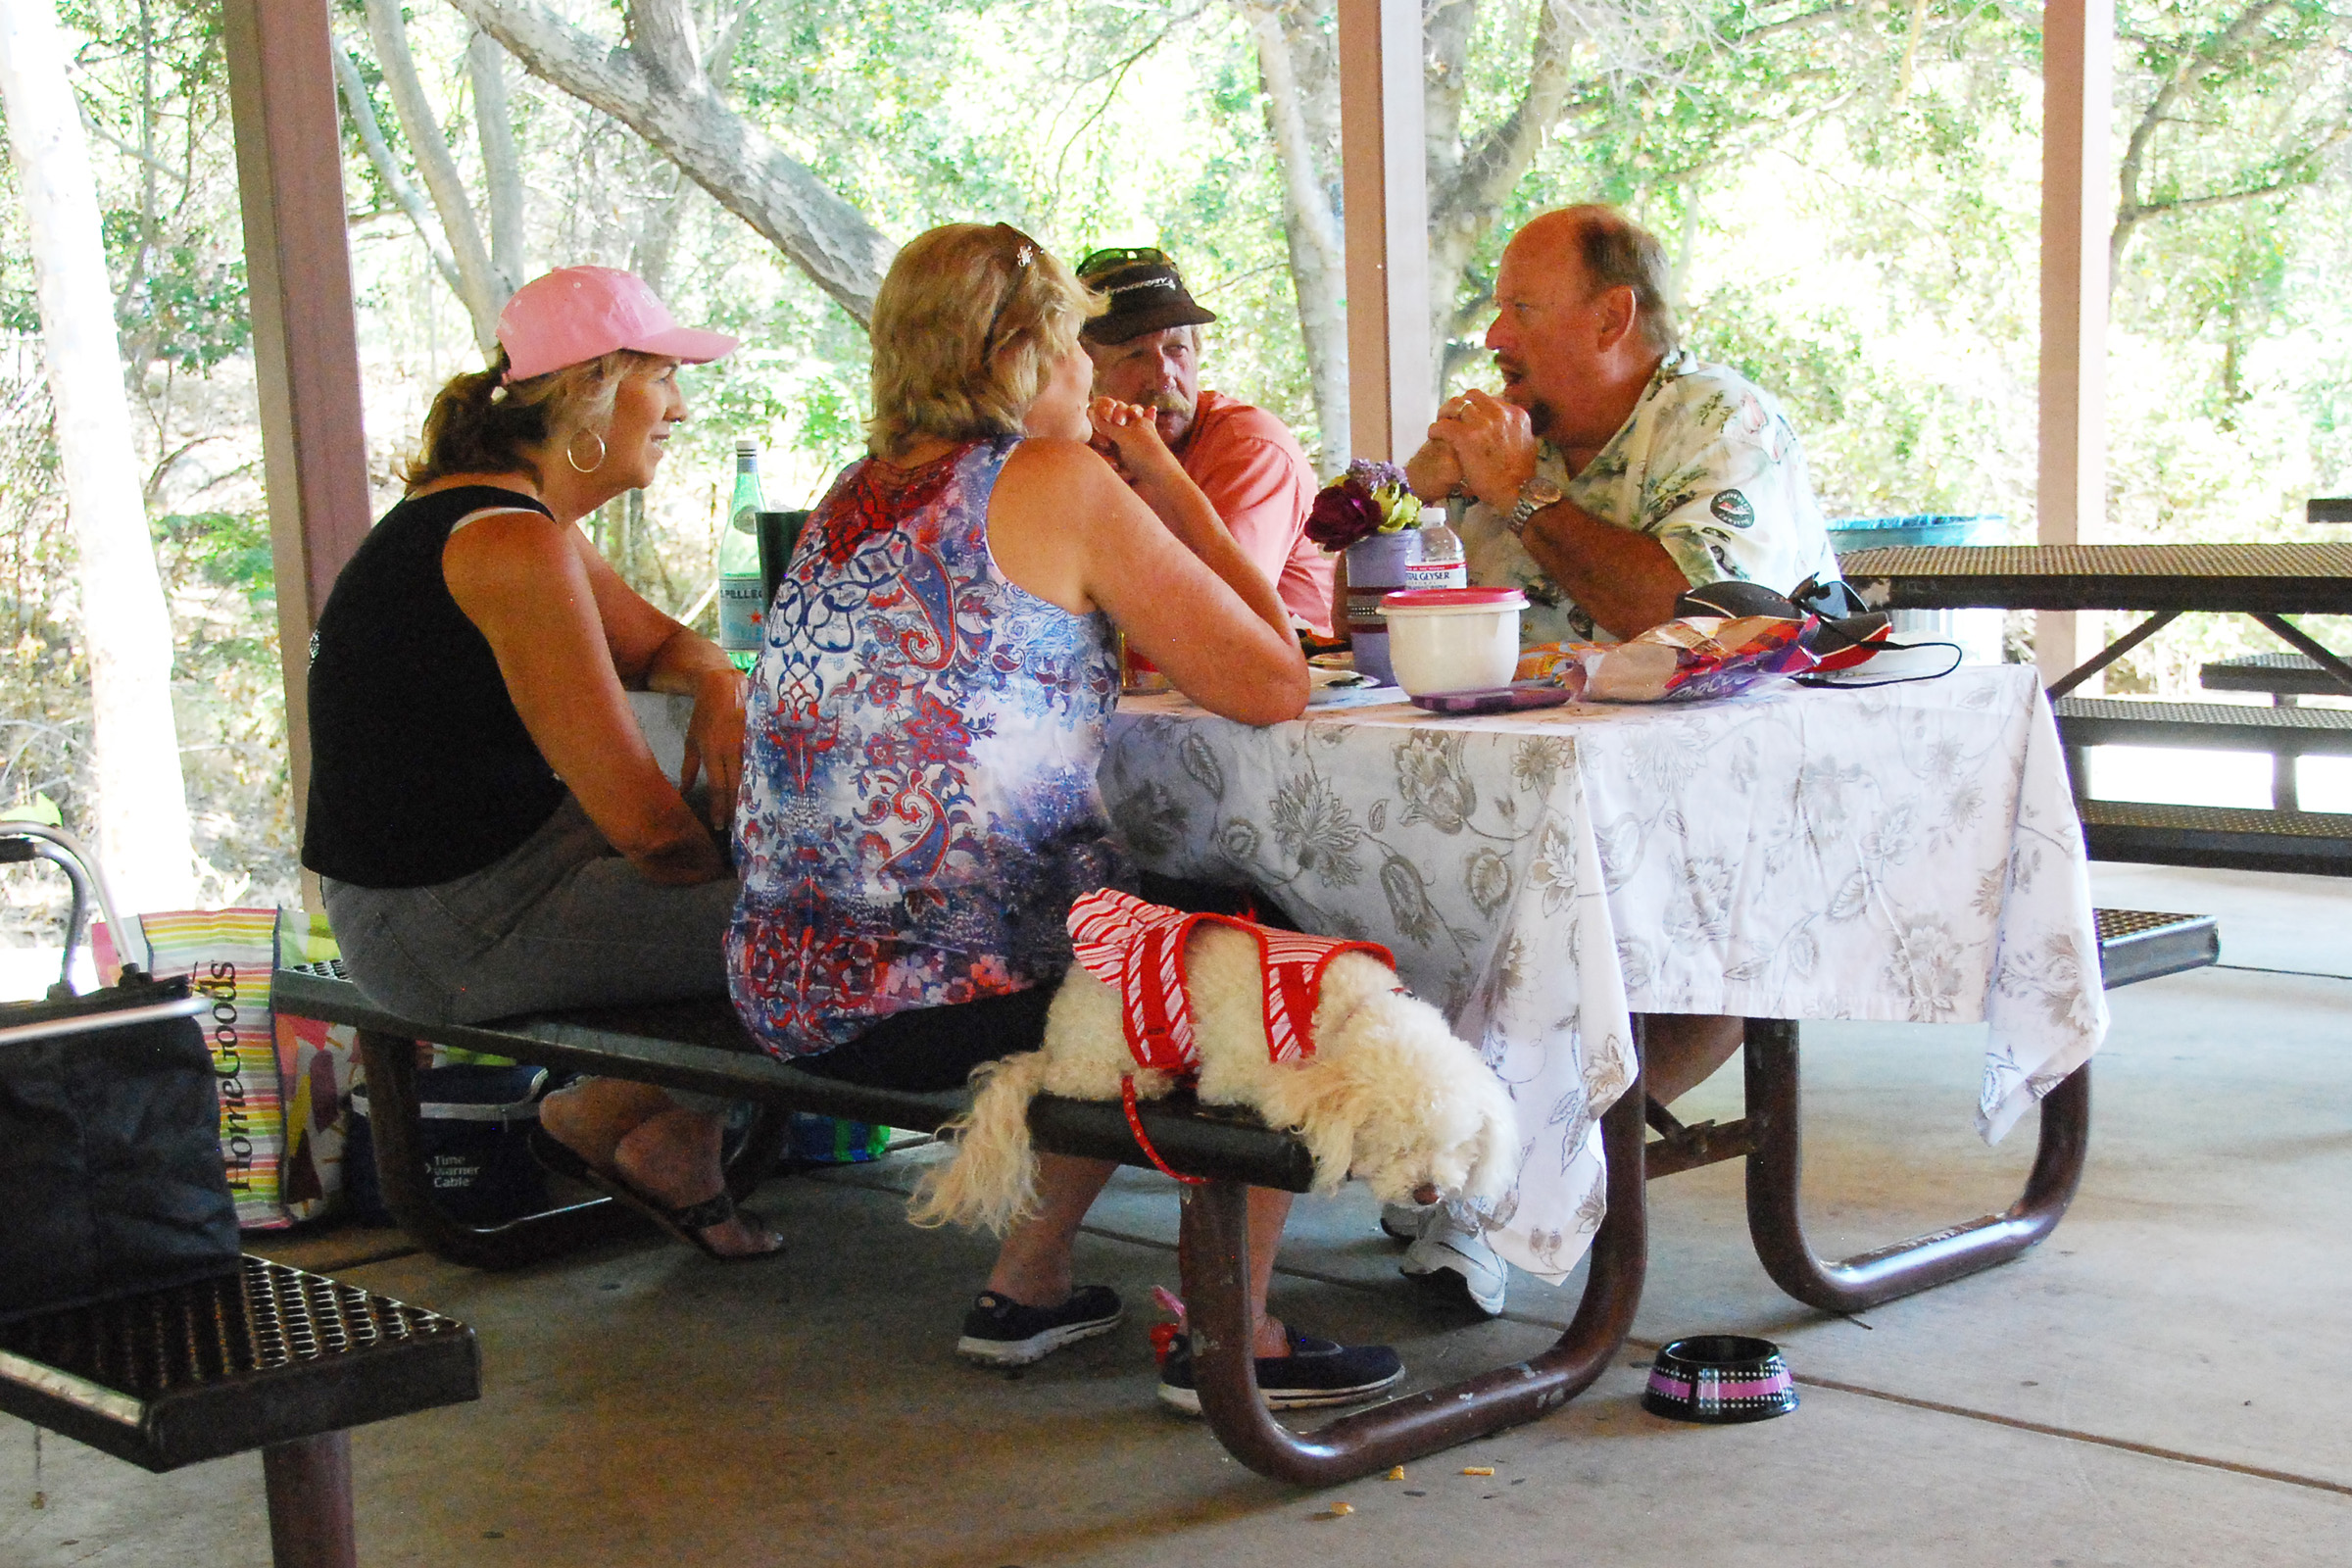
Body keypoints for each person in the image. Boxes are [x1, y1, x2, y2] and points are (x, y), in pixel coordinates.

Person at [726, 222, 1401, 1413]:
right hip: (940, 996)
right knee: (1259, 940)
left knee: (1132, 925)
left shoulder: (849, 496)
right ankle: (1232, 1343)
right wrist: (1170, 485)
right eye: (1080, 347)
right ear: (1026, 354)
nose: (1095, 373)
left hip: (792, 982)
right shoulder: (1055, 481)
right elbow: (1275, 680)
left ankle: (1029, 1283)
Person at [1388, 205, 1841, 1310]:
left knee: (1688, 942)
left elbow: (1687, 615)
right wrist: (1411, 501)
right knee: (1358, 885)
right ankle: (1473, 1155)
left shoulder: (1722, 423)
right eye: (1496, 307)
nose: (1494, 335)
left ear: (1614, 317)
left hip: (1711, 819)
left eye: (1523, 309)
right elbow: (1356, 609)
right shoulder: (1511, 436)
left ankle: (1494, 1182)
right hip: (1509, 797)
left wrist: (1527, 499)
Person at [301, 265, 781, 1261]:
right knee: (836, 923)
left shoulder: (510, 518)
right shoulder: (508, 545)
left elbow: (668, 647)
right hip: (445, 927)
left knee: (801, 882)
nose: (681, 409)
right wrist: (744, 874)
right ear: (595, 388)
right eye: (663, 377)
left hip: (475, 886)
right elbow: (651, 836)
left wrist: (723, 688)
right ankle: (607, 1116)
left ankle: (672, 1135)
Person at [1075, 247, 1335, 640]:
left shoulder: (1250, 446)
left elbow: (1222, 613)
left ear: (1198, 350)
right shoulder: (1081, 449)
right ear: (1085, 368)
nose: (1163, 375)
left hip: (1291, 684)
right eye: (1133, 355)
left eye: (1176, 348)